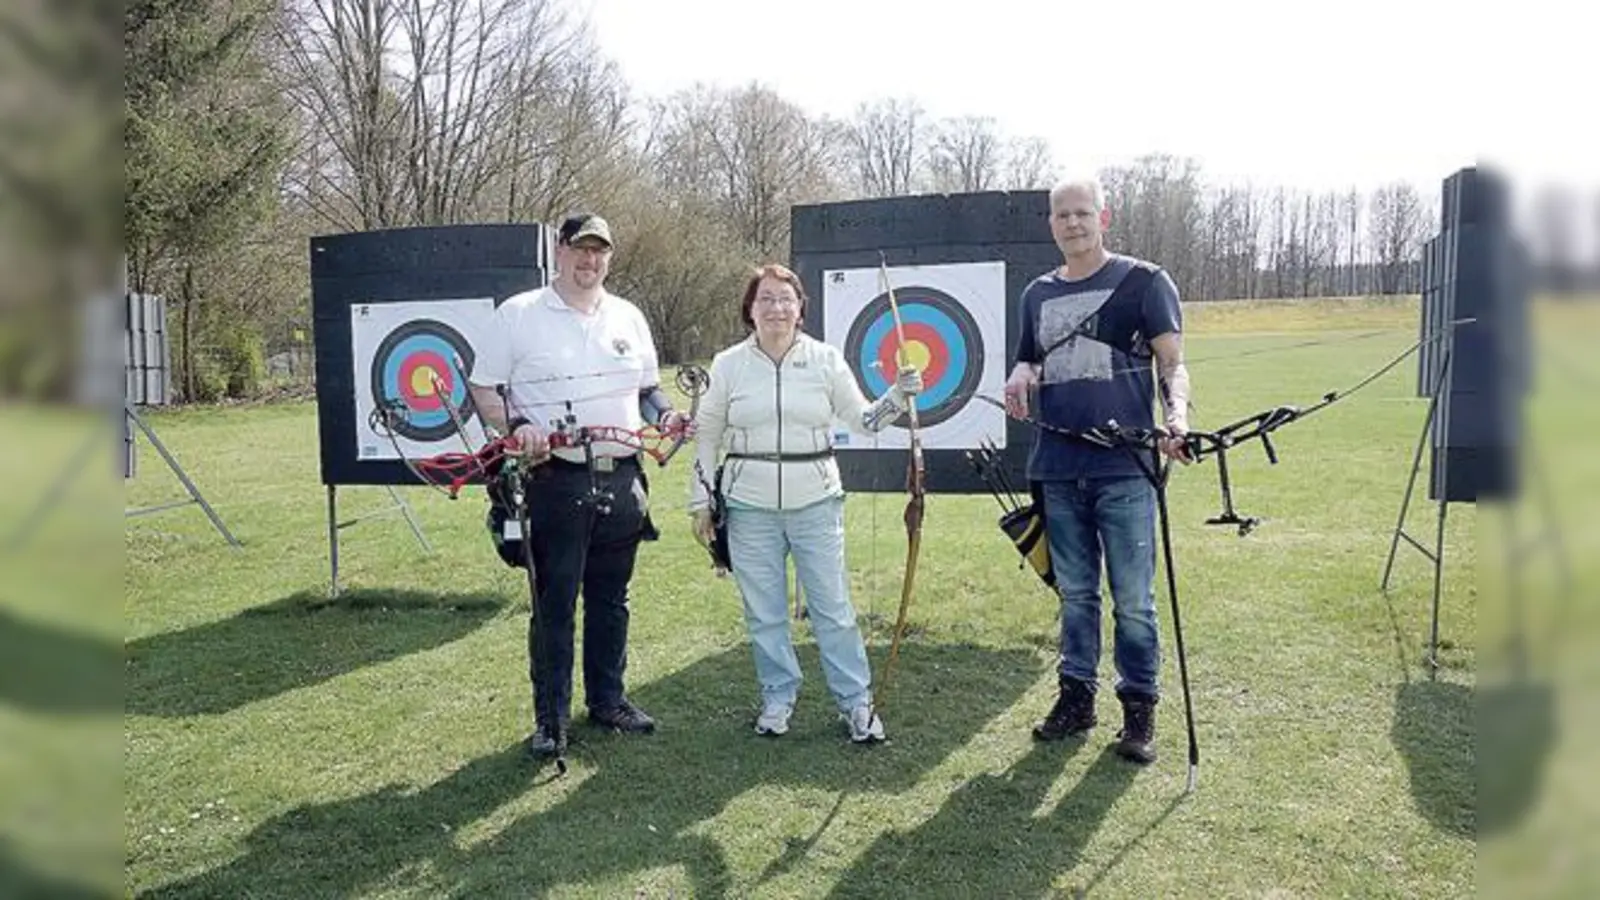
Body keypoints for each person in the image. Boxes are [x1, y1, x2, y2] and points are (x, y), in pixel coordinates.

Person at [469, 213, 694, 760]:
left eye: (600, 252)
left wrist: (665, 415)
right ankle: (551, 719)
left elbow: (645, 388)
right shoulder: (519, 314)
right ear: (560, 251)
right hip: (554, 479)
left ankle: (608, 700)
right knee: (555, 604)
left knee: (611, 601)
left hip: (621, 478)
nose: (589, 261)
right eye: (580, 250)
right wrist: (520, 429)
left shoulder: (628, 316)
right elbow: (482, 387)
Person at [688, 263, 922, 743]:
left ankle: (857, 703)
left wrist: (898, 396)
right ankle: (778, 695)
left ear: (800, 309)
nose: (776, 307)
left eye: (786, 299)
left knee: (832, 608)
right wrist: (701, 501)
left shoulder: (825, 359)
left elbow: (865, 420)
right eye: (766, 299)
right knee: (764, 611)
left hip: (815, 502)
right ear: (750, 310)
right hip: (748, 504)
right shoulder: (728, 363)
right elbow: (708, 434)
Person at [1002, 177, 1192, 764]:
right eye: (1063, 215)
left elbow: (1174, 366)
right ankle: (1075, 700)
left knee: (1133, 598)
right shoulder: (1036, 293)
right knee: (1076, 594)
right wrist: (1020, 374)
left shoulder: (1145, 282)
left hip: (1126, 470)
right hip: (1058, 467)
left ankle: (1139, 713)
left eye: (1083, 213)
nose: (1073, 224)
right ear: (1051, 224)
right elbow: (1029, 358)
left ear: (1103, 217)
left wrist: (1177, 420)